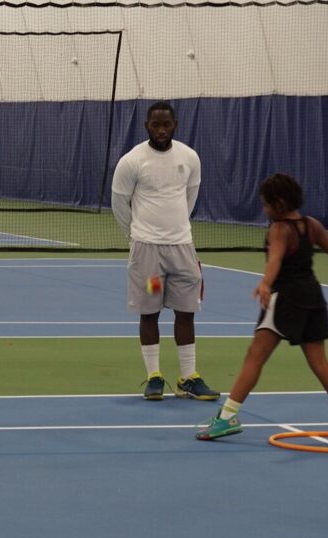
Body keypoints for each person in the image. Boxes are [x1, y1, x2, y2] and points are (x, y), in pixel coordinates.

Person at [195, 173, 328, 441]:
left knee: (255, 356)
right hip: (313, 297)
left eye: (266, 204)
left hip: (286, 299)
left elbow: (275, 258)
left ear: (278, 203)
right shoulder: (312, 225)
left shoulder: (279, 229)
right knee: (319, 361)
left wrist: (265, 283)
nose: (264, 209)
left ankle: (227, 417)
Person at [111, 101, 220, 402]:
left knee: (187, 312)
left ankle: (188, 377)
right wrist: (137, 237)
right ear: (146, 125)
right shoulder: (132, 161)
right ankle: (154, 377)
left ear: (175, 125)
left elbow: (189, 197)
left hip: (182, 252)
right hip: (148, 254)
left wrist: (176, 230)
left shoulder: (189, 158)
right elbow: (120, 204)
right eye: (155, 125)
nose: (161, 130)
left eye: (166, 124)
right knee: (150, 311)